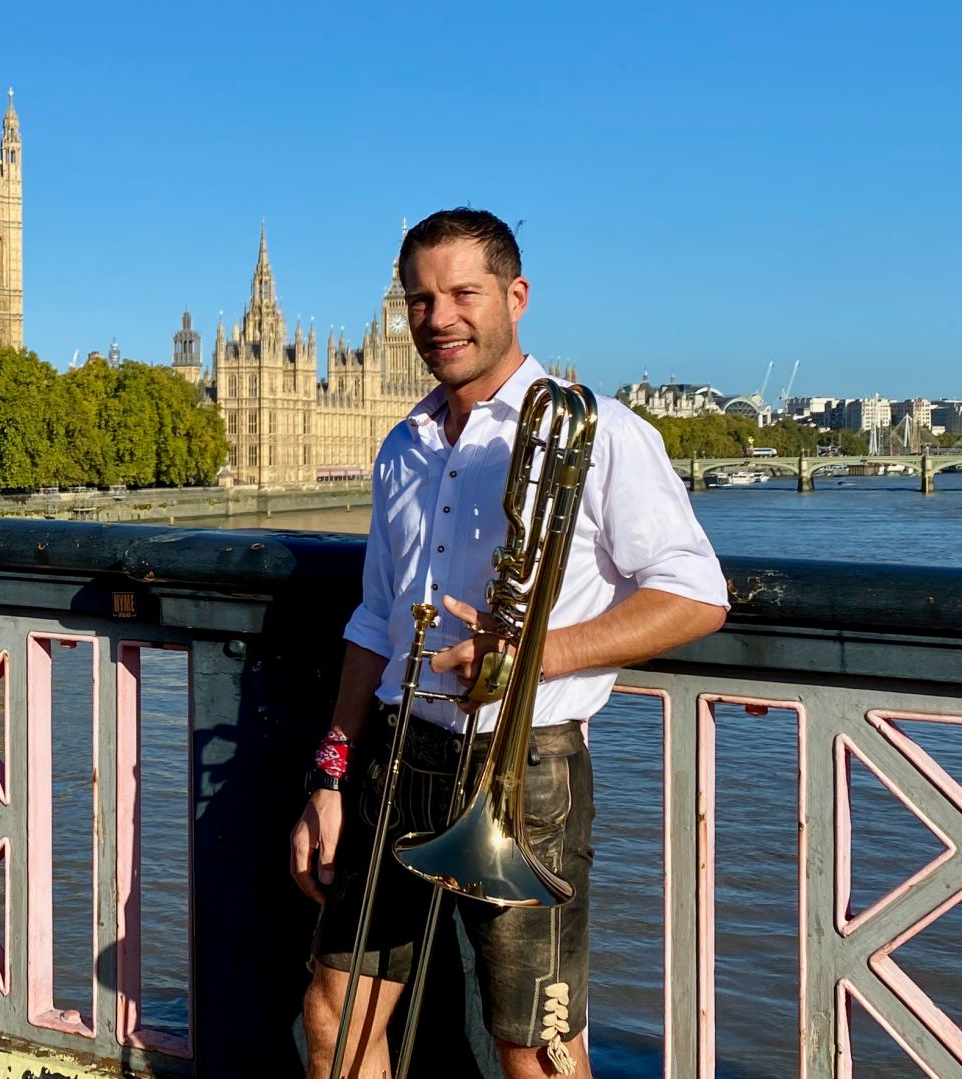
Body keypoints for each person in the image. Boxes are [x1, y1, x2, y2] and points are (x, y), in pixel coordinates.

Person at [288, 208, 730, 1079]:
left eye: (463, 293)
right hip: (399, 755)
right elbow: (377, 622)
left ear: (515, 297)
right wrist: (331, 772)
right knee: (334, 1013)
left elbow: (695, 593)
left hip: (525, 772)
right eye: (420, 299)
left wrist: (532, 655)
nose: (439, 317)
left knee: (536, 1047)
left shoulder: (596, 430)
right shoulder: (402, 445)